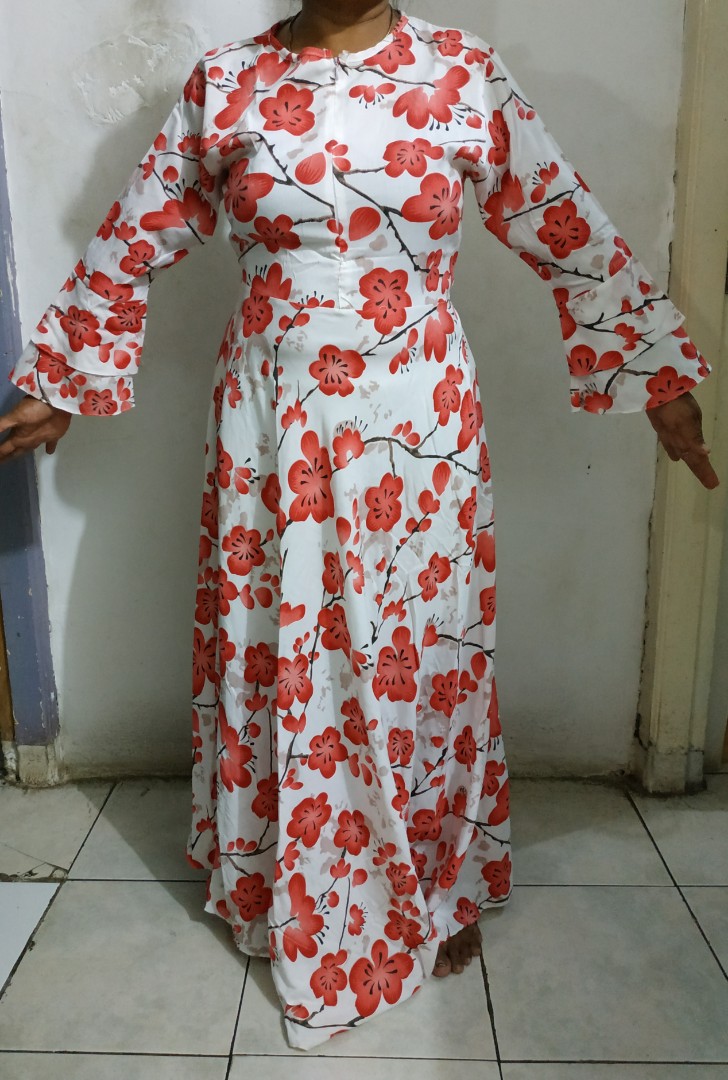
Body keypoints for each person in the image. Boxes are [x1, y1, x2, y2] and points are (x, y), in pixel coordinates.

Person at [0, 0, 719, 1052]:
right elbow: (134, 235)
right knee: (285, 646)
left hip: (418, 416)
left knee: (419, 647)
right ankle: (285, 884)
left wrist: (657, 379)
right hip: (271, 418)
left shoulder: (462, 73)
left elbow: (563, 220)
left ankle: (434, 882)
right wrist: (62, 379)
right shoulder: (226, 84)